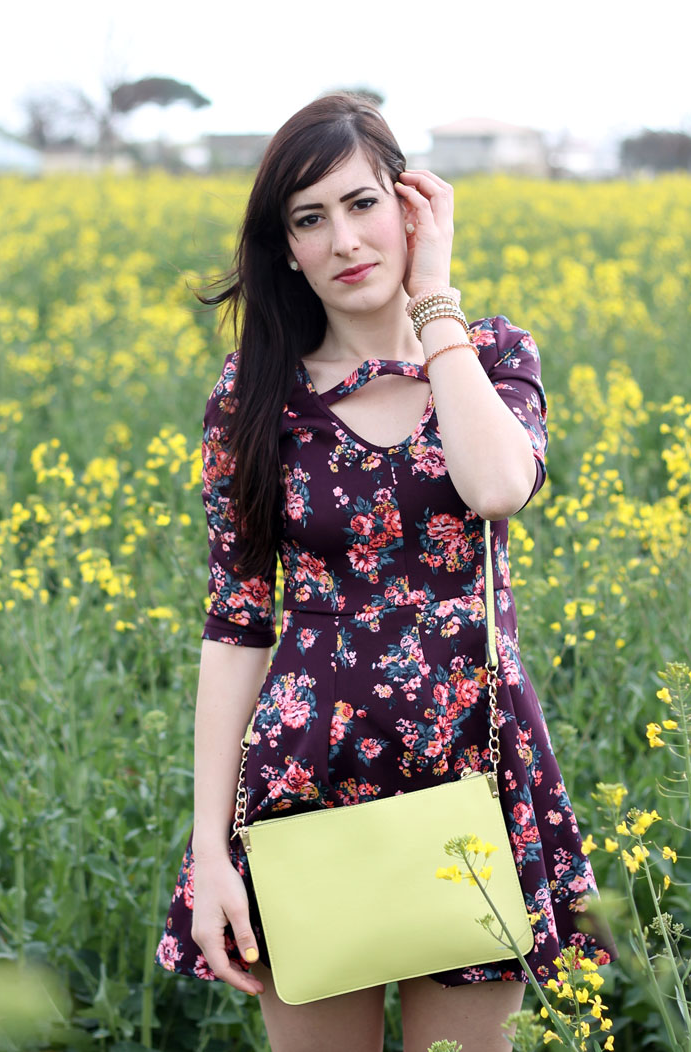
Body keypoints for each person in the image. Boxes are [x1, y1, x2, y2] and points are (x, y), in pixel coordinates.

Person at [154, 92, 617, 1052]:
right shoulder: (253, 398)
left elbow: (497, 487)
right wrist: (211, 849)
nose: (344, 241)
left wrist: (433, 303)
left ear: (411, 207)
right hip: (308, 779)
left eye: (363, 204)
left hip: (473, 767)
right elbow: (236, 625)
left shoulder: (490, 355)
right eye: (309, 219)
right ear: (286, 248)